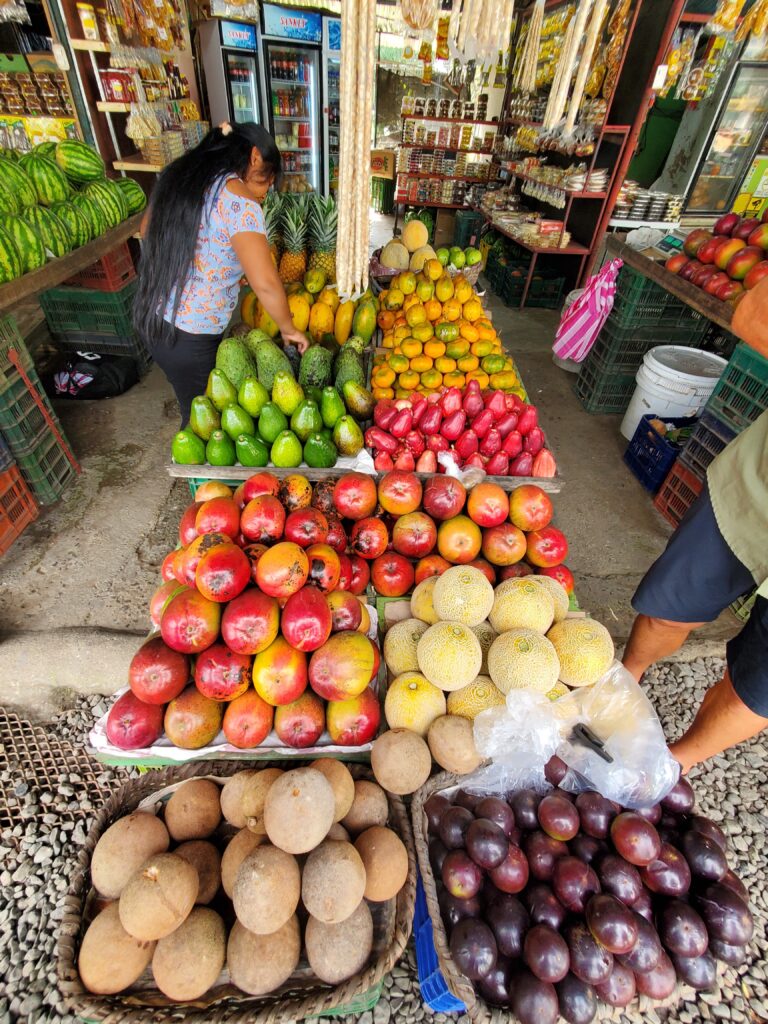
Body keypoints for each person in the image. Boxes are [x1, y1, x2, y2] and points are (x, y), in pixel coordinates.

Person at [623, 280, 768, 775]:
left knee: (758, 683)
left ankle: (672, 768)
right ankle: (625, 681)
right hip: (757, 489)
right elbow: (752, 315)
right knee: (670, 607)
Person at [133, 121, 307, 425]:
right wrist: (289, 329)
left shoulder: (182, 175)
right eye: (269, 180)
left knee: (195, 406)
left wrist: (219, 268)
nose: (267, 191)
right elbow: (265, 283)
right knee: (206, 424)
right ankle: (194, 474)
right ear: (254, 157)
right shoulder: (239, 201)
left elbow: (146, 231)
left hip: (154, 320)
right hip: (192, 337)